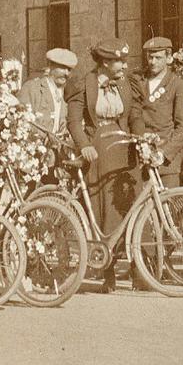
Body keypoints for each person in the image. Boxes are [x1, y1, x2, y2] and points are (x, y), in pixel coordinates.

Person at [68, 39, 138, 288]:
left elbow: (134, 115)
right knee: (100, 209)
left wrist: (141, 139)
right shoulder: (83, 84)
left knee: (121, 208)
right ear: (106, 62)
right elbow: (75, 121)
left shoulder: (125, 84)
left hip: (121, 149)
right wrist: (84, 145)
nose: (124, 65)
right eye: (119, 61)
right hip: (96, 151)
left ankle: (121, 260)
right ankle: (104, 268)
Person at [131, 36, 183, 187]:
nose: (152, 62)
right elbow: (134, 114)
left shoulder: (177, 84)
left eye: (158, 58)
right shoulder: (139, 81)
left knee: (168, 205)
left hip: (165, 161)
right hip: (140, 156)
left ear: (169, 58)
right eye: (150, 57)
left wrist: (165, 153)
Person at [20, 48, 77, 138]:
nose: (67, 73)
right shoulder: (32, 88)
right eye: (63, 68)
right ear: (50, 66)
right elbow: (22, 121)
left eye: (69, 69)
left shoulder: (68, 92)